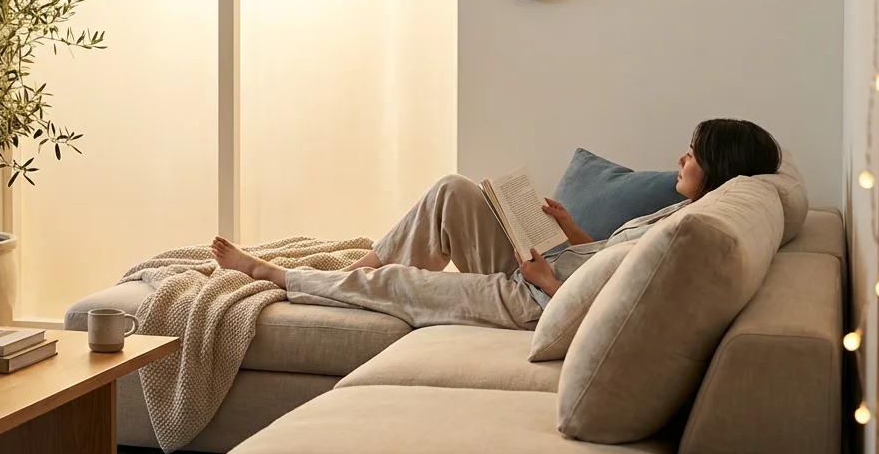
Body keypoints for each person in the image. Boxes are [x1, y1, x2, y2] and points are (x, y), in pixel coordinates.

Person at [212, 118, 783, 330]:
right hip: (552, 264)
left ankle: (276, 275)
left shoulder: (693, 233)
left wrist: (544, 282)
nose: (681, 159)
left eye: (691, 153)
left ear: (720, 168)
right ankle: (365, 261)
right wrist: (570, 227)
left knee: (401, 287)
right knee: (454, 191)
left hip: (535, 297)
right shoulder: (686, 211)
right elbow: (611, 258)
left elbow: (608, 306)